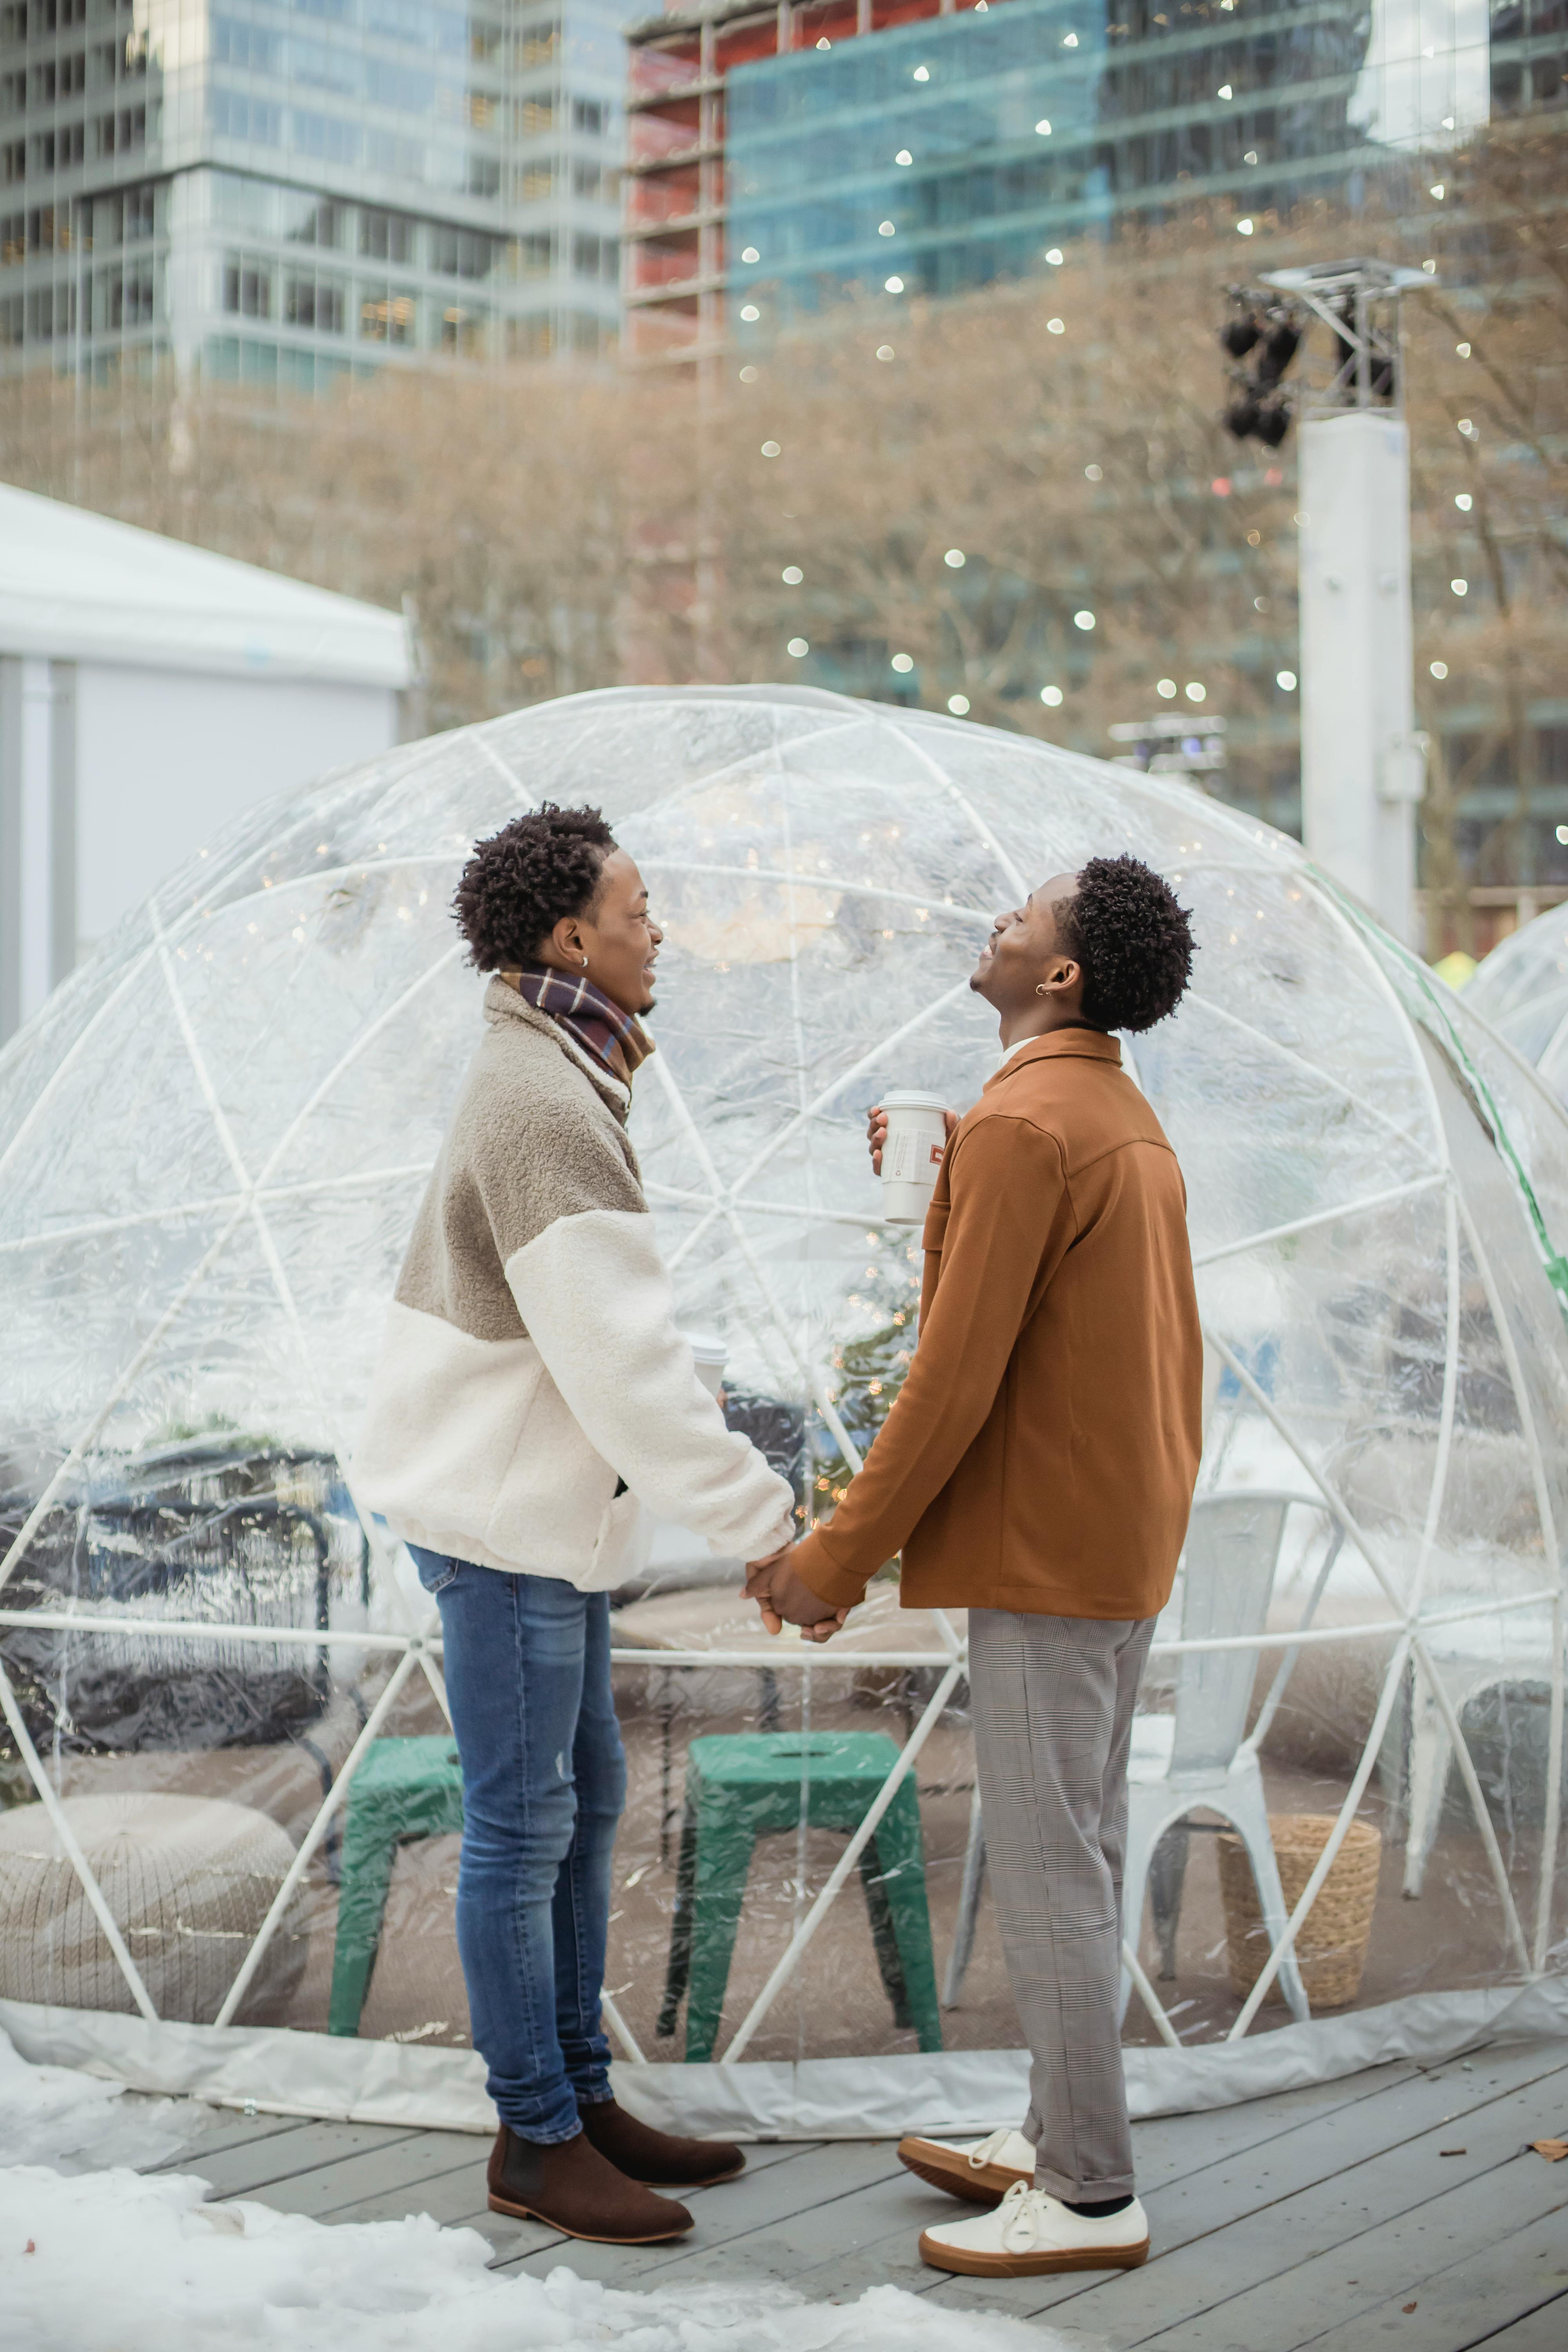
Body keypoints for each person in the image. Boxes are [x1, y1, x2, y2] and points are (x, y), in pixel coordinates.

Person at [747, 854, 1202, 2279]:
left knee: (1052, 1866)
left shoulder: (1029, 1128)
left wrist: (834, 1555)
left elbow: (949, 1377)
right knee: (1082, 1847)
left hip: (1048, 1556)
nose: (999, 919)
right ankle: (1059, 2124)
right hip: (1115, 1541)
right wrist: (951, 1178)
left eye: (1027, 914)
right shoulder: (1107, 1113)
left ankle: (1085, 2192)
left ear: (1060, 974)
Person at [354, 804, 798, 2247]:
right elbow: (624, 1366)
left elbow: (597, 1346)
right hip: (505, 1527)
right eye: (640, 904)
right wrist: (766, 1524)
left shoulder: (556, 1069)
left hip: (534, 1518)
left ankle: (580, 2093)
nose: (657, 927)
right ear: (570, 938)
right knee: (522, 1828)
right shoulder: (545, 1101)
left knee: (581, 1805)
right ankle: (535, 2136)